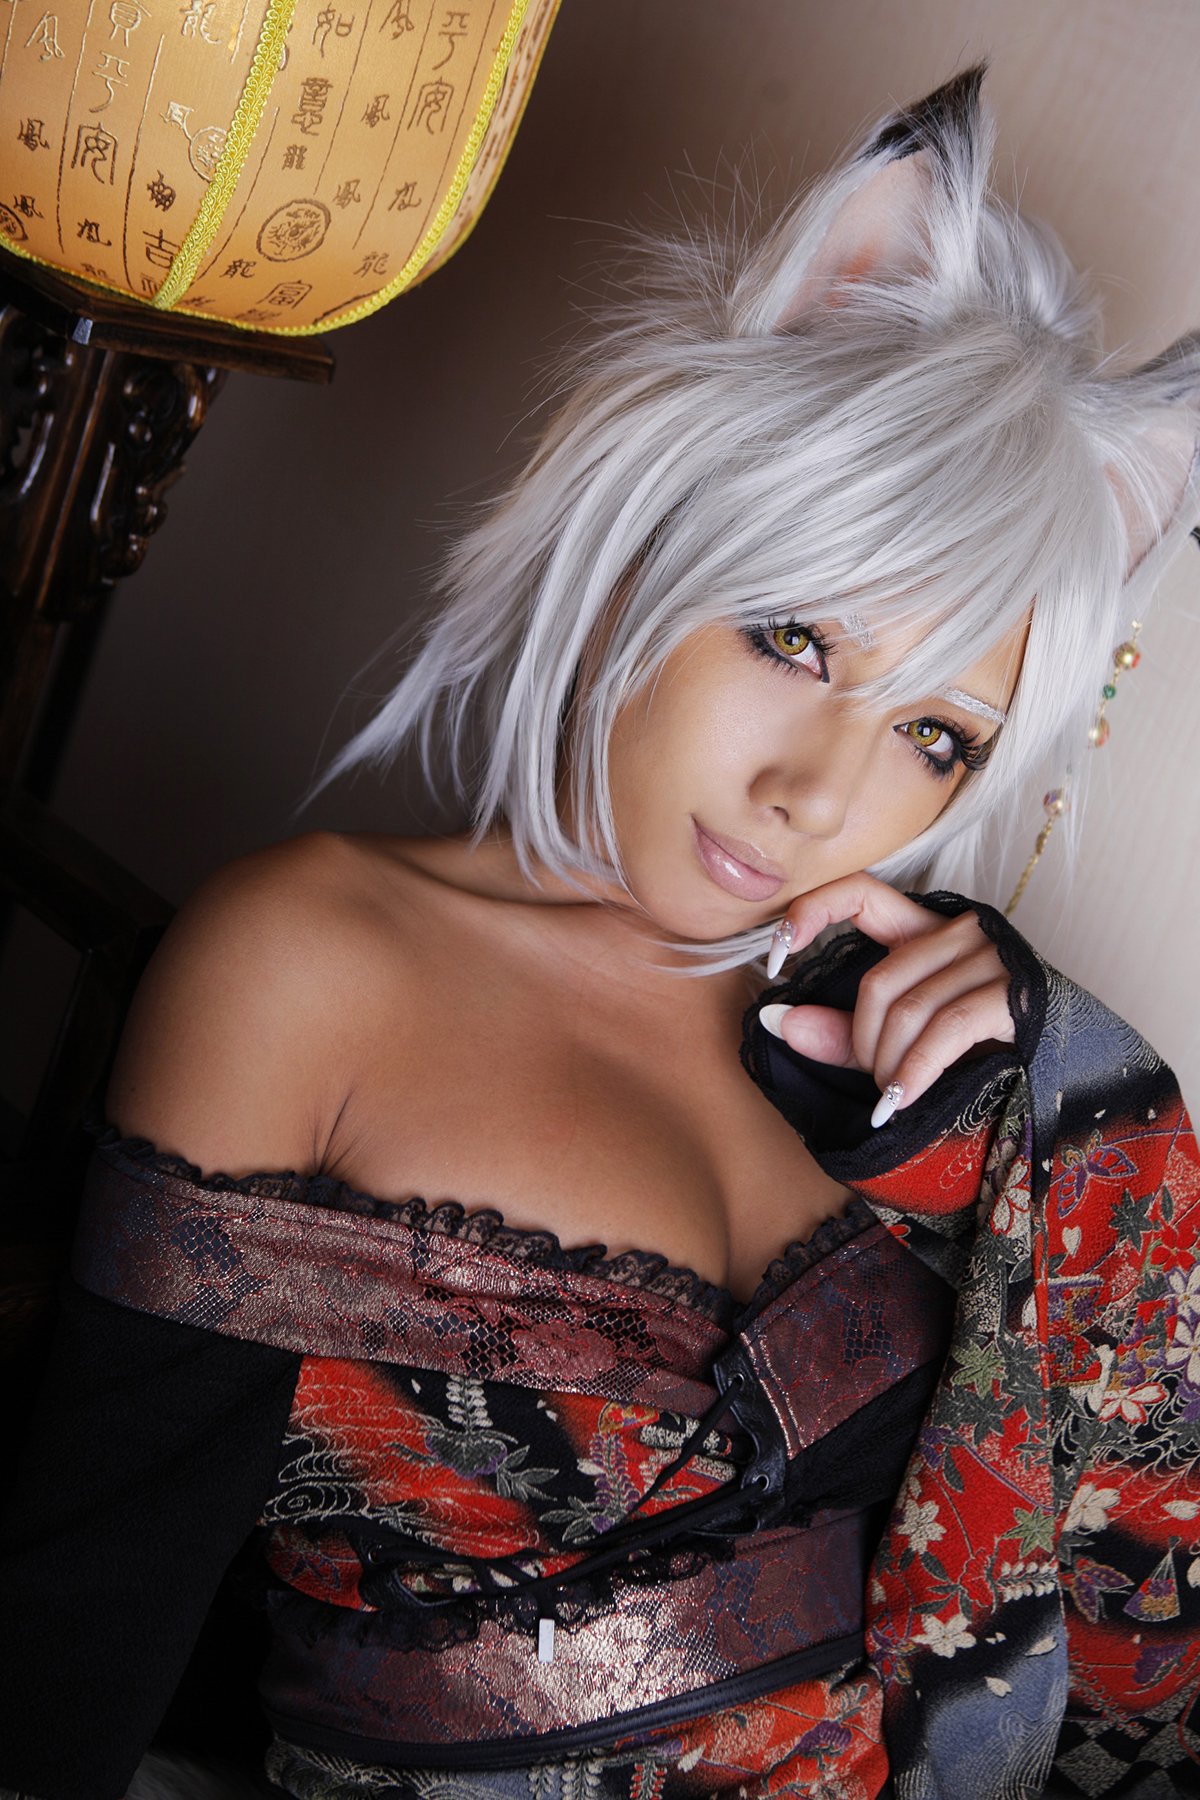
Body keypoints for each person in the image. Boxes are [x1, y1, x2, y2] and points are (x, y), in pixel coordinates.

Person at [3, 65, 1200, 1800]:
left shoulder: (908, 1061)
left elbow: (1123, 1593)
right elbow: (81, 1617)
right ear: (656, 523)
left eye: (934, 737)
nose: (815, 793)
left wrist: (1045, 1073)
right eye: (795, 637)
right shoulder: (311, 964)